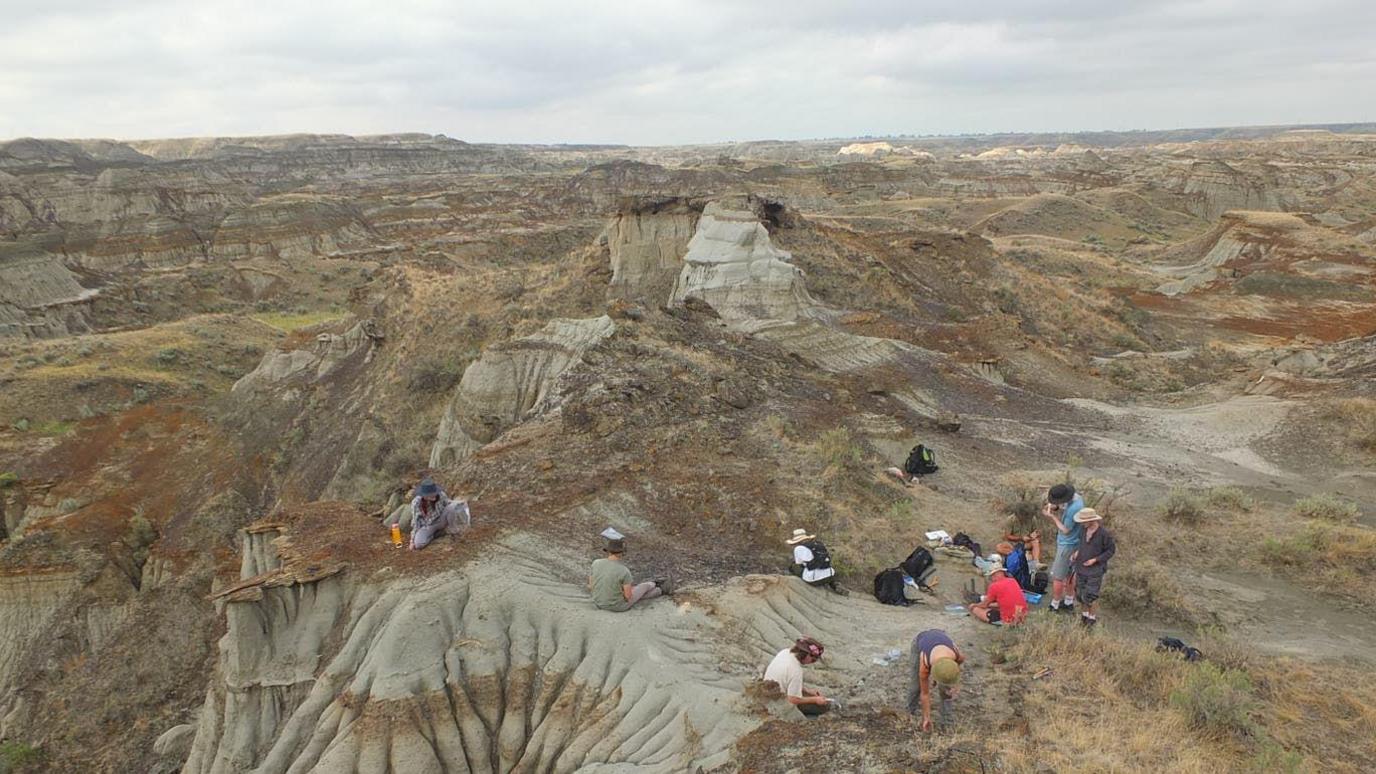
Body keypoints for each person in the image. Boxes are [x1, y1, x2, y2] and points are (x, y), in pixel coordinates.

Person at [587, 536, 670, 612]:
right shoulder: (624, 571)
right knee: (643, 587)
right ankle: (658, 586)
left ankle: (659, 589)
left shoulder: (596, 563)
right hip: (618, 606)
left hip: (598, 602)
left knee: (636, 591)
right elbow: (628, 597)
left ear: (608, 551)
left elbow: (591, 586)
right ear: (622, 553)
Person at [907, 628, 964, 732]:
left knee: (947, 689)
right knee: (916, 687)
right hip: (921, 642)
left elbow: (957, 667)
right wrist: (927, 718)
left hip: (941, 643)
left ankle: (947, 722)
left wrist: (955, 683)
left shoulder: (957, 655)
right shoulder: (924, 665)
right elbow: (925, 694)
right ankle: (909, 711)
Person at [763, 637, 833, 717]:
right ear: (806, 655)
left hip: (767, 690)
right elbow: (792, 699)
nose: (812, 662)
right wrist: (815, 700)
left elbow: (787, 679)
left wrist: (807, 690)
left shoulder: (785, 652)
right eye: (813, 660)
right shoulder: (796, 670)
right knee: (822, 707)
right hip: (777, 702)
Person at [1042, 483, 1084, 612]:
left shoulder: (1073, 510)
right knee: (1070, 574)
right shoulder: (1077, 498)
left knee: (1058, 576)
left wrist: (1052, 516)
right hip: (1077, 542)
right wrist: (1055, 507)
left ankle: (1054, 604)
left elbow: (1066, 530)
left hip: (1067, 544)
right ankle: (1069, 601)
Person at [1069, 508, 1115, 627]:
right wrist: (1076, 553)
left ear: (1092, 520)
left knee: (1091, 595)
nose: (1082, 523)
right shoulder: (1083, 530)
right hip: (1081, 568)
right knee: (1080, 594)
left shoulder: (1104, 534)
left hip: (1095, 571)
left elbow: (1110, 551)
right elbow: (1081, 545)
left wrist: (1095, 560)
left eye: (1084, 521)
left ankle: (1092, 618)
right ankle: (1084, 616)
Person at [409, 477, 470, 550]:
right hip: (427, 526)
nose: (434, 495)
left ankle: (454, 531)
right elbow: (416, 522)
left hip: (441, 520)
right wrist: (412, 541)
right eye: (431, 494)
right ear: (424, 495)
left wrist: (459, 503)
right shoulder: (416, 503)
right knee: (418, 544)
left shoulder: (441, 495)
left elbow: (448, 504)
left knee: (452, 507)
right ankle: (435, 534)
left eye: (434, 493)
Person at [969, 561, 1028, 626]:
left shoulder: (994, 586)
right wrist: (990, 605)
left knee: (976, 609)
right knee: (997, 606)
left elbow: (984, 605)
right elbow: (1004, 602)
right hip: (1023, 616)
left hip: (1009, 621)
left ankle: (1004, 621)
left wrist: (974, 605)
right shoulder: (1012, 580)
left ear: (993, 575)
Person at [786, 529, 845, 594]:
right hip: (830, 574)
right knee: (822, 568)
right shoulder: (818, 544)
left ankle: (795, 582)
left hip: (813, 579)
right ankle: (834, 584)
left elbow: (799, 564)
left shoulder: (799, 548)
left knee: (793, 566)